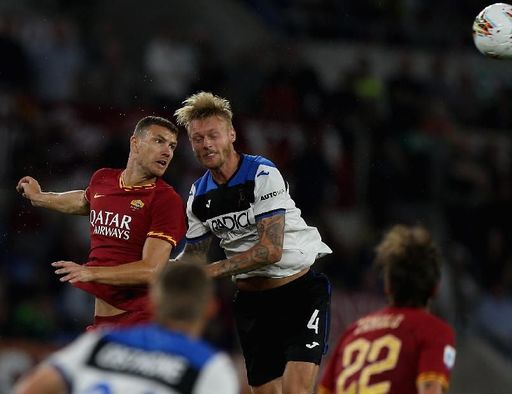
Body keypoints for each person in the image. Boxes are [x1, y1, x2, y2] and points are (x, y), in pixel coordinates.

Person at [173, 91, 333, 394]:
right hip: (251, 304)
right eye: (197, 138)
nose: (206, 144)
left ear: (231, 134)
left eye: (213, 135)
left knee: (296, 390)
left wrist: (213, 270)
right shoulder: (197, 196)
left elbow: (269, 250)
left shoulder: (261, 173)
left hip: (299, 294)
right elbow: (192, 259)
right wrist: (161, 274)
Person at [16, 116, 186, 330]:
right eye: (159, 141)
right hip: (103, 324)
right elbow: (84, 201)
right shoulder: (103, 179)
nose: (167, 151)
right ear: (135, 143)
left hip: (140, 321)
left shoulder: (166, 200)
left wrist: (91, 272)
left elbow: (151, 269)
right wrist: (40, 197)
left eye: (172, 146)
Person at [14, 262, 240, 394]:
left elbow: (29, 389)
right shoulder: (209, 367)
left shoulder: (101, 343)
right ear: (211, 309)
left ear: (152, 302)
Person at [318, 224, 457, 394]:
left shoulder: (352, 333)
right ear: (435, 289)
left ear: (388, 287)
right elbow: (430, 390)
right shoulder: (434, 330)